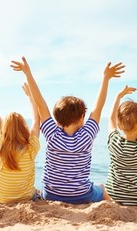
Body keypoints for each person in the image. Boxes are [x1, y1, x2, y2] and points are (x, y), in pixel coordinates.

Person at [11, 56, 124, 204]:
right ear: (82, 118)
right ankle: (116, 206)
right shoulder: (87, 135)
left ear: (57, 120)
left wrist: (28, 73)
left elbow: (41, 104)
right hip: (81, 195)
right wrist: (105, 78)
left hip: (51, 194)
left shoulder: (52, 134)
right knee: (101, 188)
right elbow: (98, 107)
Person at [0, 82, 41, 204]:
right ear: (24, 127)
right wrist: (31, 97)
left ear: (4, 129)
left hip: (1, 199)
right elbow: (37, 120)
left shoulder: (0, 146)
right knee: (38, 192)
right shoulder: (31, 147)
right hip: (26, 199)